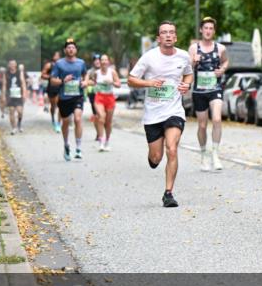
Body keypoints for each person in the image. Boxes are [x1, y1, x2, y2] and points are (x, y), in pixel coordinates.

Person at [128, 21, 193, 207]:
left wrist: (187, 84)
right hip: (153, 114)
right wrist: (149, 83)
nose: (168, 35)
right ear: (158, 38)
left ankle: (168, 193)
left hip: (174, 110)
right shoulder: (149, 57)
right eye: (164, 32)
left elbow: (188, 74)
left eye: (171, 32)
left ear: (176, 37)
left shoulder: (183, 56)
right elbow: (131, 79)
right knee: (156, 157)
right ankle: (153, 158)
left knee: (172, 148)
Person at [188, 16, 229, 171]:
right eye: (206, 28)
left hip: (215, 89)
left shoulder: (220, 48)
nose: (208, 31)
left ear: (214, 31)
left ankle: (215, 155)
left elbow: (225, 61)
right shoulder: (194, 48)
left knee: (217, 119)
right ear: (201, 30)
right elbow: (187, 68)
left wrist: (222, 70)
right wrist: (194, 61)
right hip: (199, 91)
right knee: (202, 125)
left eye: (211, 28)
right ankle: (204, 154)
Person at [50, 39, 89, 161]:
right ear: (65, 50)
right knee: (66, 122)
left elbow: (86, 74)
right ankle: (66, 144)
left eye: (73, 47)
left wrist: (85, 82)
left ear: (76, 50)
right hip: (64, 97)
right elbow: (52, 80)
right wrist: (63, 80)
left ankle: (78, 148)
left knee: (77, 119)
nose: (71, 49)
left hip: (78, 95)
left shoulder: (81, 63)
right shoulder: (59, 64)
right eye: (68, 48)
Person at [92, 54, 120, 151]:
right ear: (100, 62)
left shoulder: (112, 72)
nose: (104, 62)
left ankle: (107, 141)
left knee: (108, 122)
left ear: (108, 62)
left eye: (105, 60)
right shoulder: (96, 73)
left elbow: (118, 84)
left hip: (110, 98)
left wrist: (111, 82)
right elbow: (94, 82)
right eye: (102, 60)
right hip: (99, 97)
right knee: (101, 117)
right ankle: (101, 141)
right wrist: (93, 86)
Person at [1, 59, 27, 134]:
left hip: (18, 94)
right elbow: (4, 85)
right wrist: (3, 95)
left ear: (16, 65)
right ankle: (14, 127)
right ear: (9, 65)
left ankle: (19, 124)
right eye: (11, 64)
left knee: (20, 111)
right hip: (10, 94)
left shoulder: (19, 72)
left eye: (13, 64)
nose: (12, 65)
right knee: (11, 110)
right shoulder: (6, 73)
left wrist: (24, 93)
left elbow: (23, 82)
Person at [41, 51, 61, 131]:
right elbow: (42, 75)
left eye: (58, 55)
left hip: (61, 87)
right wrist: (50, 77)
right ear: (53, 57)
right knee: (53, 106)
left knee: (61, 105)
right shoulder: (49, 65)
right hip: (52, 87)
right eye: (55, 55)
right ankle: (53, 118)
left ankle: (59, 122)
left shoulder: (63, 65)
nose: (57, 57)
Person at [85, 55, 102, 141]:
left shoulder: (105, 70)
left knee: (102, 115)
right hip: (93, 95)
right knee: (96, 115)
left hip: (104, 95)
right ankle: (99, 133)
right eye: (95, 60)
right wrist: (93, 82)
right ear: (93, 62)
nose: (97, 61)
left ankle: (101, 133)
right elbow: (86, 81)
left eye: (99, 60)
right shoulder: (90, 72)